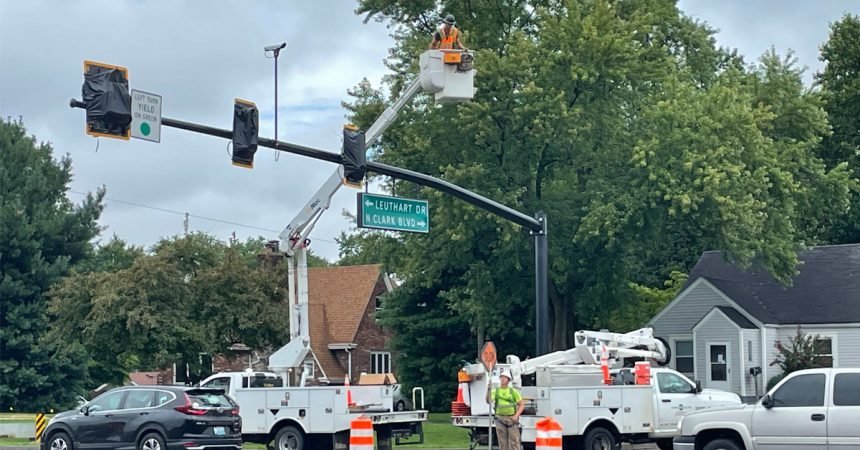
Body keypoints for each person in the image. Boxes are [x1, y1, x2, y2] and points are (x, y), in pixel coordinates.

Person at [486, 369, 525, 450]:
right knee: (502, 442)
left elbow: (521, 405)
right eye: (501, 377)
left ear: (508, 380)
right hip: (500, 418)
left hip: (511, 419)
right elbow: (488, 401)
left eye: (505, 377)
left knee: (514, 441)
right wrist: (488, 390)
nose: (503, 379)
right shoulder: (496, 391)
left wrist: (516, 416)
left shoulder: (513, 391)